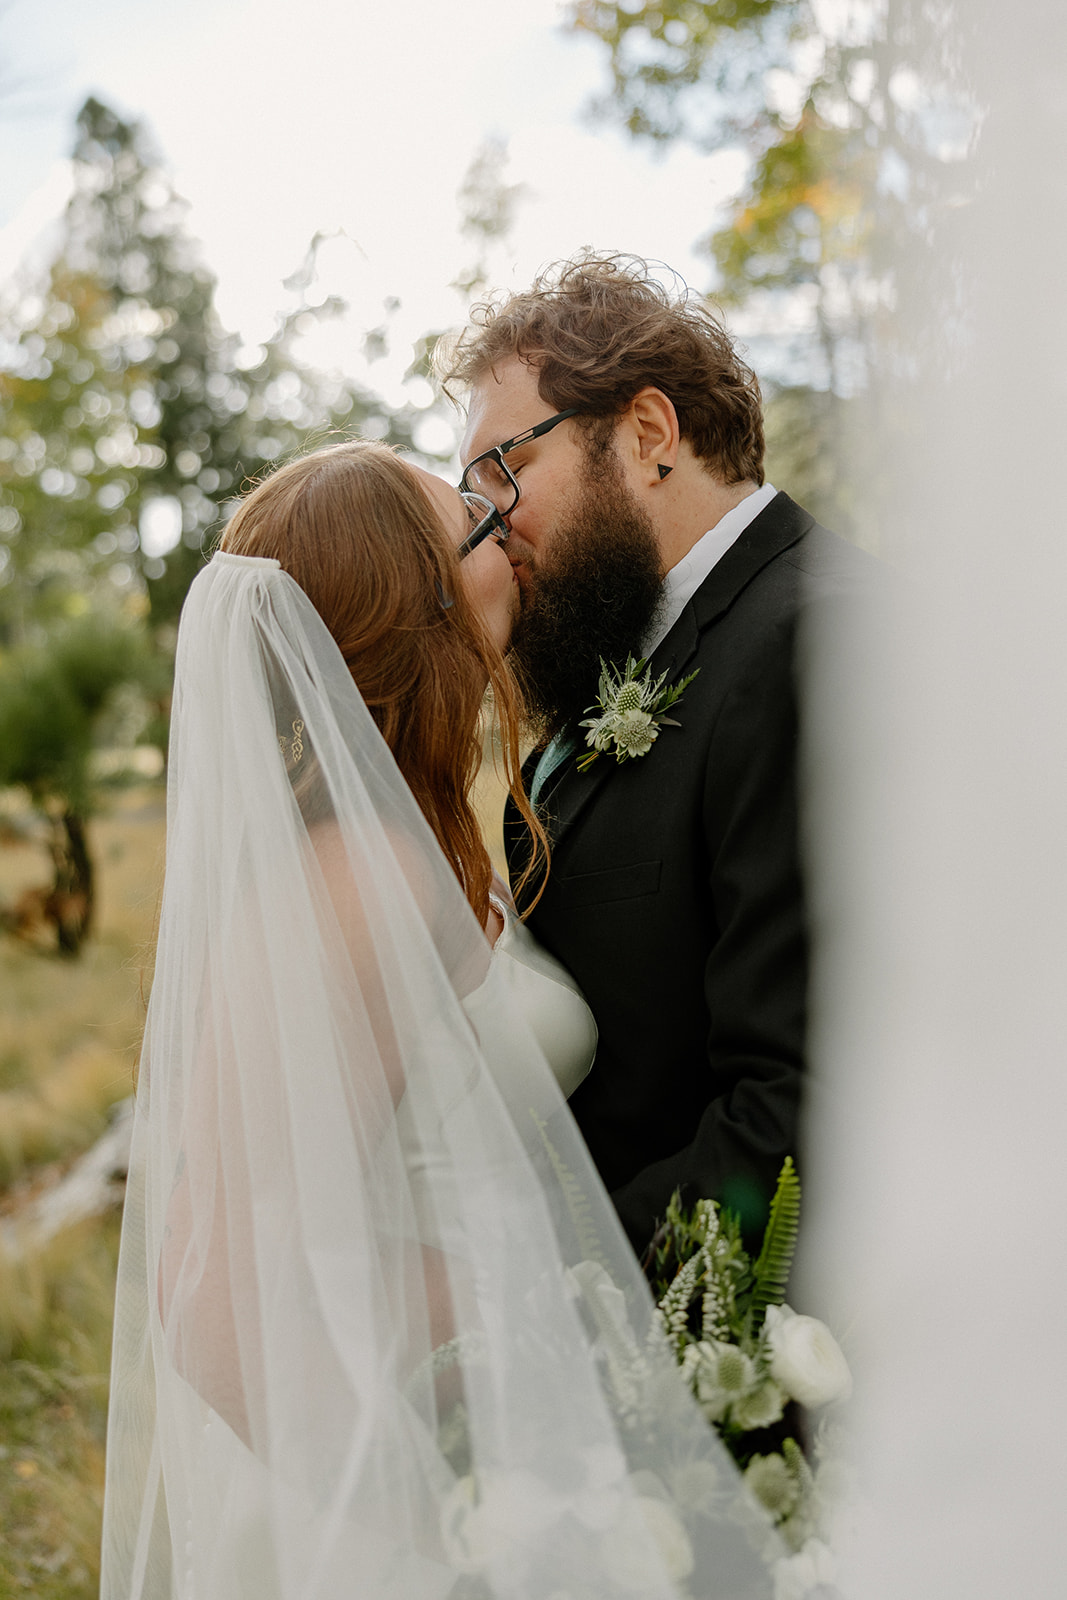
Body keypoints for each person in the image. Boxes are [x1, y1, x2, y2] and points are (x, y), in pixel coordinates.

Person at [100, 440, 778, 1599]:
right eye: (470, 512)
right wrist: (456, 1523)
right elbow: (213, 1296)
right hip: (393, 1505)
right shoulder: (355, 883)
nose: (499, 520)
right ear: (415, 603)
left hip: (499, 1422)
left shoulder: (419, 830)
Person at [445, 254, 878, 1258]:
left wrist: (547, 1301)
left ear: (645, 436)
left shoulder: (814, 643)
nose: (489, 523)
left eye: (504, 470)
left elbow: (805, 1113)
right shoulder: (628, 651)